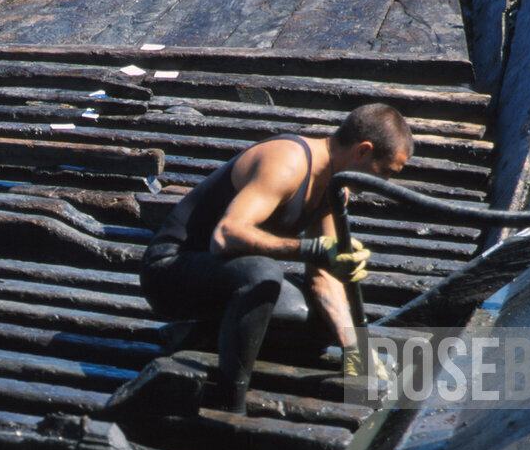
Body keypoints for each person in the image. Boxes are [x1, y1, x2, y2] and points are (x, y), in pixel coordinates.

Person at [140, 103, 412, 414]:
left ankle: (199, 336)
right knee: (264, 274)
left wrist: (354, 349)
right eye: (386, 172)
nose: (384, 184)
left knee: (329, 323)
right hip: (169, 273)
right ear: (363, 151)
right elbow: (225, 236)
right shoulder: (289, 161)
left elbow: (323, 278)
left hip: (225, 280)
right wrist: (310, 249)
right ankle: (230, 403)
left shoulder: (336, 188)